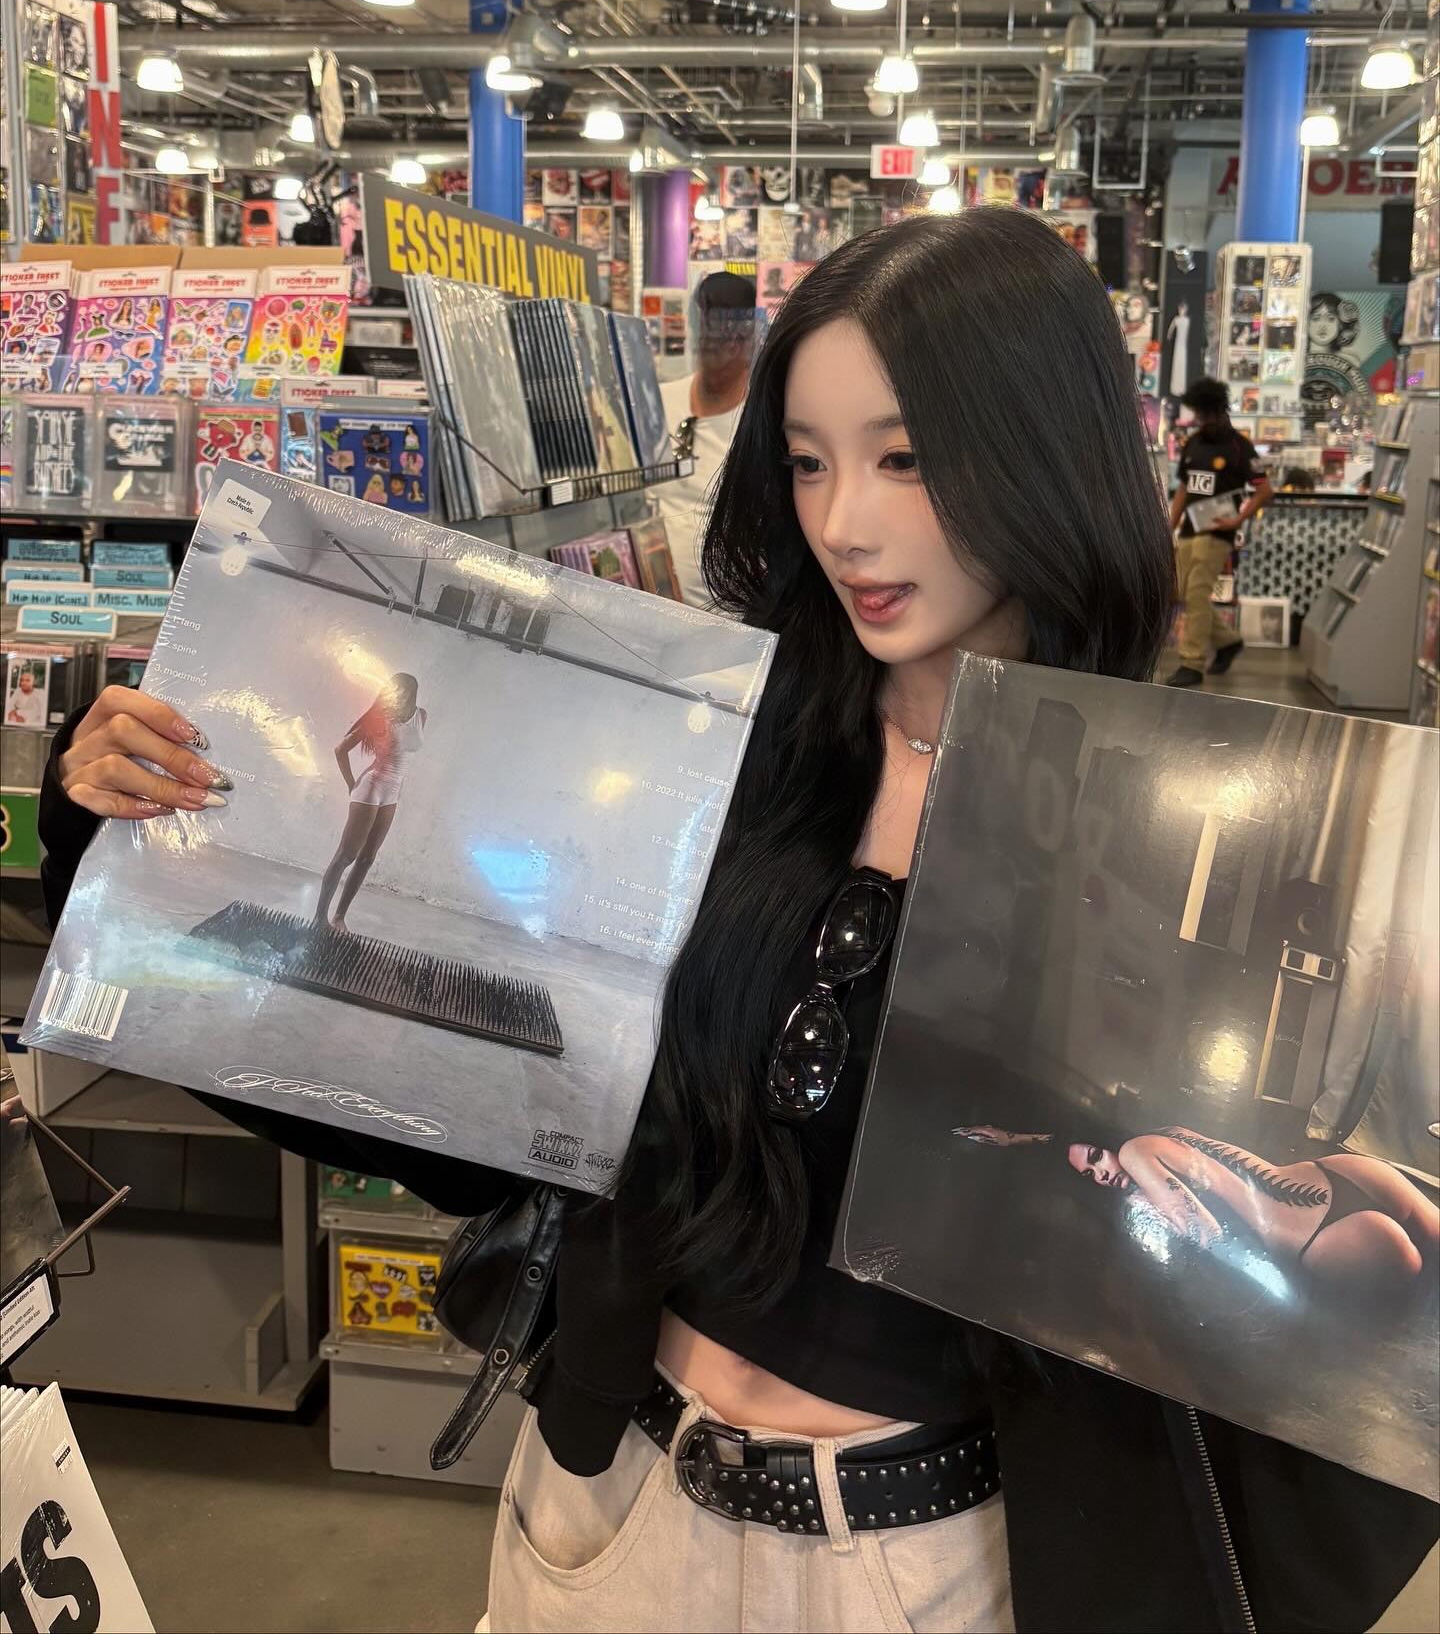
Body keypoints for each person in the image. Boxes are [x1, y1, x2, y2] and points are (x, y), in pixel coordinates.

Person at [39, 214, 1434, 1634]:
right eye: (810, 461)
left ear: (1042, 454)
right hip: (610, 1512)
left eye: (905, 458)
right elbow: (475, 1112)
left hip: (928, 1569)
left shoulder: (1183, 829)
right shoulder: (713, 750)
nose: (846, 525)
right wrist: (140, 839)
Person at [956, 1125, 1438, 1293]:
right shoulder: (1168, 1132)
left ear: (1109, 1141)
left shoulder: (1138, 1155)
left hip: (1322, 1238)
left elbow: (1210, 1239)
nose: (1101, 1175)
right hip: (1341, 1173)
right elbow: (1077, 1134)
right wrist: (1018, 1139)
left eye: (1098, 1158)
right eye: (1090, 1176)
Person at [653, 269, 757, 607]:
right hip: (648, 606)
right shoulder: (658, 401)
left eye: (730, 329)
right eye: (708, 324)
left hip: (727, 619)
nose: (717, 339)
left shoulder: (759, 421)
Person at [1167, 376, 1274, 689]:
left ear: (1221, 410)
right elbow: (1185, 488)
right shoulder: (1193, 443)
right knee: (1182, 593)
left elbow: (1264, 491)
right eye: (1200, 415)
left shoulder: (1240, 447)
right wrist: (1170, 525)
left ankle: (1191, 663)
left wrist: (1237, 520)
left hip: (1217, 532)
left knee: (1197, 593)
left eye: (1208, 414)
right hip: (1190, 528)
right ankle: (1228, 641)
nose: (1204, 421)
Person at [314, 674, 426, 932]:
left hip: (392, 794)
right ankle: (319, 918)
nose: (403, 696)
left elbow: (407, 751)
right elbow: (340, 749)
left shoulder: (421, 716)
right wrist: (351, 783)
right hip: (370, 789)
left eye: (407, 692)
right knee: (346, 856)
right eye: (399, 691)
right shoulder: (379, 718)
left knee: (367, 859)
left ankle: (339, 917)